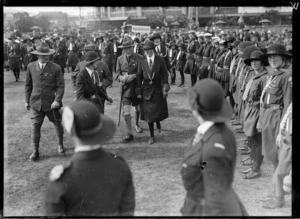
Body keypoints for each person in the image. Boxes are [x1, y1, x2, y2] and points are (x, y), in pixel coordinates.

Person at [44, 100, 135, 216]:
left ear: (70, 131)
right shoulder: (120, 166)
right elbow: (127, 212)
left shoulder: (61, 179)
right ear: (101, 128)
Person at [180, 79, 247, 216]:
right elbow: (205, 165)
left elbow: (216, 205)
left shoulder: (213, 150)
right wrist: (202, 166)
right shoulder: (220, 131)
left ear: (196, 108)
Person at [258, 43, 292, 207]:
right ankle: (275, 193)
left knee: (278, 159)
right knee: (272, 156)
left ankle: (278, 197)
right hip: (268, 116)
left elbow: (287, 104)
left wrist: (281, 129)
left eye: (275, 57)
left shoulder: (285, 76)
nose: (272, 60)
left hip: (277, 118)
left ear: (283, 58)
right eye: (270, 57)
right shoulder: (274, 74)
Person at [25, 42, 65, 161]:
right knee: (35, 126)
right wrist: (27, 101)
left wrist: (57, 100)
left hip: (52, 103)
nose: (46, 57)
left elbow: (60, 86)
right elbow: (28, 85)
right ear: (38, 55)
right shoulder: (31, 66)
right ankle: (35, 150)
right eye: (43, 55)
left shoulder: (56, 67)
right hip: (36, 103)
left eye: (47, 54)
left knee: (58, 123)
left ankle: (60, 145)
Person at [241, 50, 269, 179]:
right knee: (251, 138)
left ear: (262, 62)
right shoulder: (254, 75)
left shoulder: (265, 77)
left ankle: (256, 169)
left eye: (256, 61)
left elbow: (265, 101)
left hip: (258, 111)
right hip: (250, 109)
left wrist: (261, 120)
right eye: (252, 61)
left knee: (257, 141)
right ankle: (253, 163)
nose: (253, 63)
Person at [136, 40, 170, 145]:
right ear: (144, 51)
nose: (149, 52)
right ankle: (151, 135)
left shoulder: (160, 60)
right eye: (146, 50)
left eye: (150, 49)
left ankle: (158, 123)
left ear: (153, 50)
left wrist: (165, 88)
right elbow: (138, 77)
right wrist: (138, 91)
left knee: (157, 110)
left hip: (157, 89)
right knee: (149, 114)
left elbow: (165, 74)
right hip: (146, 90)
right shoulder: (142, 61)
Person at [116, 39, 144, 142]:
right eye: (127, 48)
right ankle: (129, 133)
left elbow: (143, 73)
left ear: (134, 47)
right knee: (126, 111)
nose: (129, 50)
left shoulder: (140, 58)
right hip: (125, 89)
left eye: (131, 47)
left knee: (137, 109)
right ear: (123, 49)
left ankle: (137, 124)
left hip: (136, 88)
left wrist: (134, 76)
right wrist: (121, 78)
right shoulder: (119, 59)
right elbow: (117, 73)